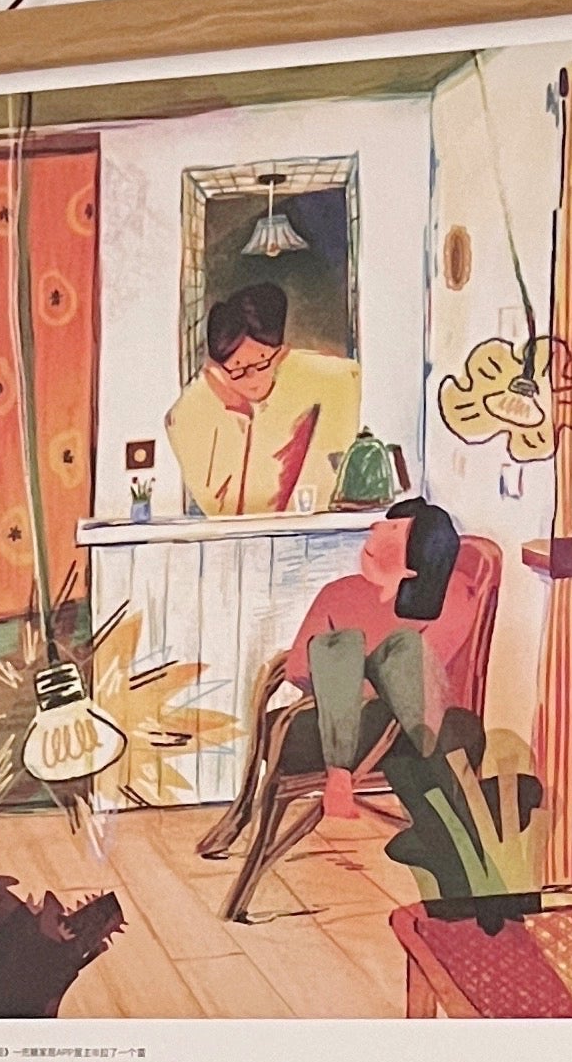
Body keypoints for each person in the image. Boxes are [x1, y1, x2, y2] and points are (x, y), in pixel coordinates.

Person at [200, 499, 478, 855]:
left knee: (393, 652)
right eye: (384, 523)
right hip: (327, 715)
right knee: (339, 647)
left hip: (396, 724)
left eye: (394, 528)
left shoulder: (451, 596)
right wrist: (346, 677)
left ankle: (340, 775)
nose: (376, 529)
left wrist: (364, 675)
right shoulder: (340, 592)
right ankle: (338, 774)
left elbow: (424, 678)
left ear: (418, 560)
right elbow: (299, 667)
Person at [162, 280, 363, 518]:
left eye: (261, 362)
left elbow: (347, 384)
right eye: (236, 368)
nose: (251, 376)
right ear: (216, 368)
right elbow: (223, 512)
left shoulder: (325, 377)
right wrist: (239, 415)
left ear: (280, 354)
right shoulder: (189, 413)